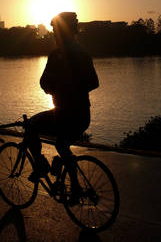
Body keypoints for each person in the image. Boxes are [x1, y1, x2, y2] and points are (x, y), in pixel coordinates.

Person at [25, 12, 99, 201]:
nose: (54, 35)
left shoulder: (57, 55)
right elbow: (93, 82)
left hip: (64, 115)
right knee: (62, 145)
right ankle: (74, 187)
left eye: (55, 31)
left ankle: (41, 165)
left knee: (31, 125)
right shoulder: (83, 54)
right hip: (83, 116)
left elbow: (44, 83)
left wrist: (58, 88)